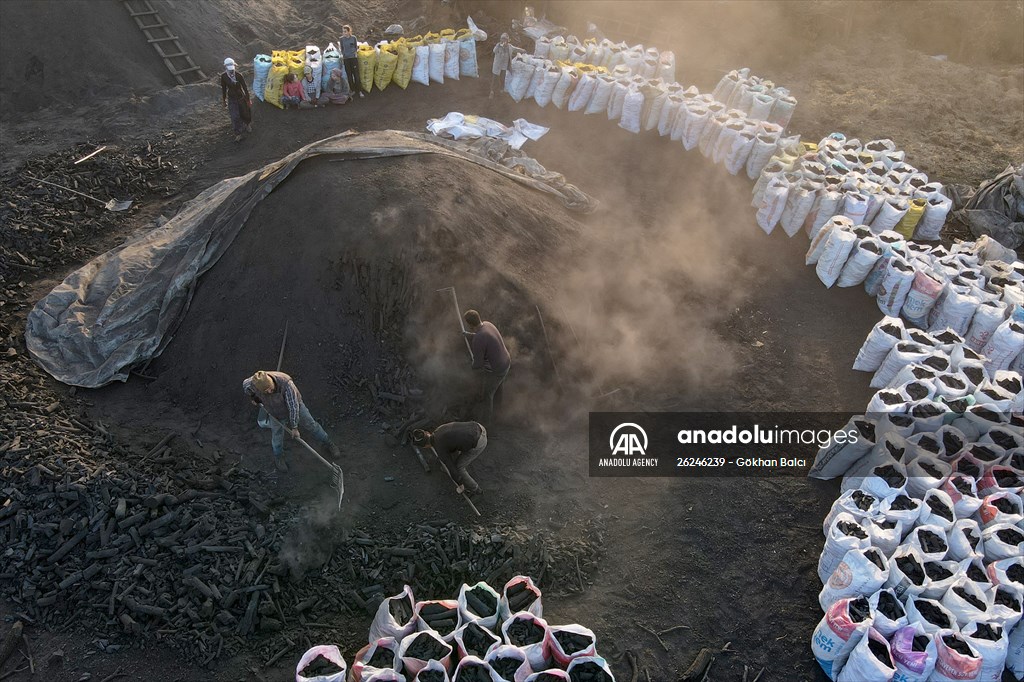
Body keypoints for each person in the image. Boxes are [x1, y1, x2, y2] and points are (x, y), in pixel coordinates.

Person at [243, 370, 341, 472]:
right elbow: (245, 385)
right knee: (277, 436)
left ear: (271, 381)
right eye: (265, 391)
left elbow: (293, 407)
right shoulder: (254, 383)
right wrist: (253, 397)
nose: (268, 392)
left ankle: (328, 443)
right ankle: (278, 457)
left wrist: (294, 427)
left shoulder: (286, 384)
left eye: (269, 388)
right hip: (274, 412)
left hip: (295, 407)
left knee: (311, 425)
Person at [463, 309, 511, 423]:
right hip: (506, 361)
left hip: (498, 369)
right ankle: (499, 414)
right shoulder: (488, 324)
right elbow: (484, 336)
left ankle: (487, 424)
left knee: (487, 394)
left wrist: (470, 367)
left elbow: (478, 364)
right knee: (498, 387)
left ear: (470, 324)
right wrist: (469, 335)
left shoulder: (478, 339)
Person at [413, 422, 486, 495]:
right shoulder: (438, 430)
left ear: (425, 446)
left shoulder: (440, 449)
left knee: (459, 467)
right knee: (453, 450)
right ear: (428, 433)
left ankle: (476, 490)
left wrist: (460, 485)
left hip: (479, 441)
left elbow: (452, 468)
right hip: (477, 426)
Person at [221, 57, 252, 142]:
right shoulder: (224, 77)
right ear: (226, 67)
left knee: (245, 112)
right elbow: (223, 88)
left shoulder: (239, 75)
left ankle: (247, 124)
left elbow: (245, 87)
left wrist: (248, 99)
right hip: (231, 98)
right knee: (234, 116)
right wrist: (224, 100)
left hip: (240, 97)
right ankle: (238, 133)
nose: (231, 71)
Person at [490, 33, 523, 98]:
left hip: (504, 66)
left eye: (505, 39)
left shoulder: (510, 46)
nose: (504, 41)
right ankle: (492, 92)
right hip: (497, 66)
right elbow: (494, 51)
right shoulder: (498, 46)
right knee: (495, 79)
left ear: (508, 40)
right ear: (501, 40)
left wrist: (523, 50)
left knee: (502, 78)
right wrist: (499, 45)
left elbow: (516, 49)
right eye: (502, 39)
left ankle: (501, 90)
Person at [340, 25, 364, 98]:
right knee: (349, 75)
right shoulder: (341, 39)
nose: (344, 33)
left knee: (356, 75)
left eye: (345, 31)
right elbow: (342, 48)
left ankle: (359, 91)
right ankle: (353, 90)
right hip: (346, 59)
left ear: (349, 31)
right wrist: (344, 55)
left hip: (353, 58)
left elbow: (356, 47)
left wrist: (353, 53)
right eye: (343, 32)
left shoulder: (353, 38)